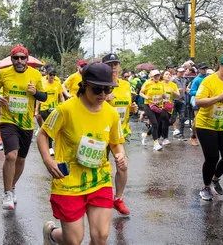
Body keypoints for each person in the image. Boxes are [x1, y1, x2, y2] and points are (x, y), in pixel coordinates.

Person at [37, 62, 126, 245]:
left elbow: (116, 143)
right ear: (84, 86)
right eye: (97, 90)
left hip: (99, 179)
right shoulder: (65, 110)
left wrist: (120, 155)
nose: (102, 95)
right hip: (68, 181)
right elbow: (43, 135)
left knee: (101, 237)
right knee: (73, 240)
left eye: (107, 90)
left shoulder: (112, 114)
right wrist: (48, 160)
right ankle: (52, 234)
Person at [0, 44, 47, 210]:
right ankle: (7, 193)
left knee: (21, 159)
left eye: (23, 57)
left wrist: (35, 92)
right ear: (12, 59)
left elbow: (44, 97)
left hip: (27, 123)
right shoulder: (4, 74)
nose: (19, 60)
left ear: (27, 59)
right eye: (16, 58)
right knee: (11, 156)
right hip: (8, 121)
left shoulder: (35, 75)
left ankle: (12, 186)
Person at [195, 53, 223, 201]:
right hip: (206, 125)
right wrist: (219, 97)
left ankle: (215, 178)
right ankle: (206, 187)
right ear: (221, 65)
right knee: (212, 157)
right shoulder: (209, 81)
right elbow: (198, 102)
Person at [102, 53, 138, 215]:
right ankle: (99, 197)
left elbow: (126, 105)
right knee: (99, 167)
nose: (114, 66)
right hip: (100, 133)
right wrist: (103, 98)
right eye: (110, 64)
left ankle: (118, 199)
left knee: (122, 165)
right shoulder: (99, 85)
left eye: (116, 63)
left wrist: (133, 109)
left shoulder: (125, 85)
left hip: (119, 133)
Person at [35, 66, 64, 156]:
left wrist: (64, 105)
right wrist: (36, 110)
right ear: (47, 74)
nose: (52, 76)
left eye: (54, 75)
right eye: (50, 74)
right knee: (50, 126)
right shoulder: (43, 84)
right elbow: (39, 99)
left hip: (54, 108)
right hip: (44, 108)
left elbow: (61, 96)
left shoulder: (57, 84)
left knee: (52, 127)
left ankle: (47, 142)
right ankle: (50, 147)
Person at [139, 69, 164, 151]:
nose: (157, 77)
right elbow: (141, 93)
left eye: (158, 75)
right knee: (155, 123)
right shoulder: (147, 83)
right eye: (155, 76)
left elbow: (163, 94)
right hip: (148, 105)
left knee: (157, 124)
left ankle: (145, 135)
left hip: (157, 105)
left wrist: (163, 97)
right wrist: (146, 97)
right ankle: (156, 144)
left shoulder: (161, 84)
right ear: (151, 77)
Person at [188, 62, 209, 146]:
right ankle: (193, 136)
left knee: (207, 121)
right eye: (203, 69)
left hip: (207, 101)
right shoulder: (197, 79)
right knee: (197, 121)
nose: (204, 70)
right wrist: (202, 93)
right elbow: (191, 92)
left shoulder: (209, 77)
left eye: (205, 68)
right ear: (199, 70)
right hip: (198, 102)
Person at [160, 70, 180, 145]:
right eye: (166, 74)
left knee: (165, 122)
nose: (168, 75)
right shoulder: (160, 84)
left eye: (169, 74)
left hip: (169, 105)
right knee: (165, 120)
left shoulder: (173, 85)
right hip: (160, 105)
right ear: (163, 76)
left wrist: (173, 92)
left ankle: (149, 134)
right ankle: (165, 138)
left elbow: (178, 95)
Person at [171, 67, 188, 141]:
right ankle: (174, 132)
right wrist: (177, 90)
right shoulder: (173, 80)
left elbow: (185, 88)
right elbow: (169, 89)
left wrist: (186, 91)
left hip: (182, 100)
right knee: (173, 118)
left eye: (182, 72)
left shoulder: (184, 79)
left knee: (182, 117)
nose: (181, 73)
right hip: (174, 100)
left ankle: (181, 133)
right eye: (180, 72)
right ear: (177, 72)